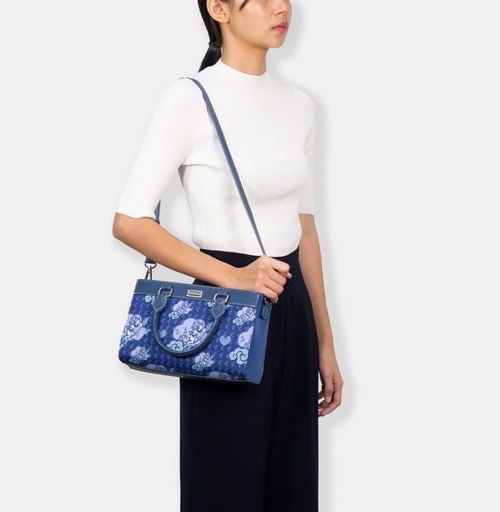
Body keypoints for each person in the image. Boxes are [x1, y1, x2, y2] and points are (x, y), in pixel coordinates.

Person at [112, 0, 343, 510]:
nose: (280, 7)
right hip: (224, 311)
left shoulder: (300, 105)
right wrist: (233, 277)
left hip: (292, 306)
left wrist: (325, 343)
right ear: (219, 8)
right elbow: (129, 220)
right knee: (224, 485)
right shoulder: (189, 98)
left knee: (291, 485)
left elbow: (305, 229)